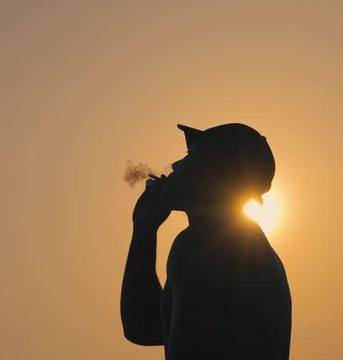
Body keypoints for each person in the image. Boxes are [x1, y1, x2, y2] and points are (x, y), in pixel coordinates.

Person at [121, 123, 291, 360]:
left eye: (190, 155)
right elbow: (145, 327)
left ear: (214, 172)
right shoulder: (242, 245)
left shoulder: (205, 245)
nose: (175, 165)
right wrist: (144, 229)